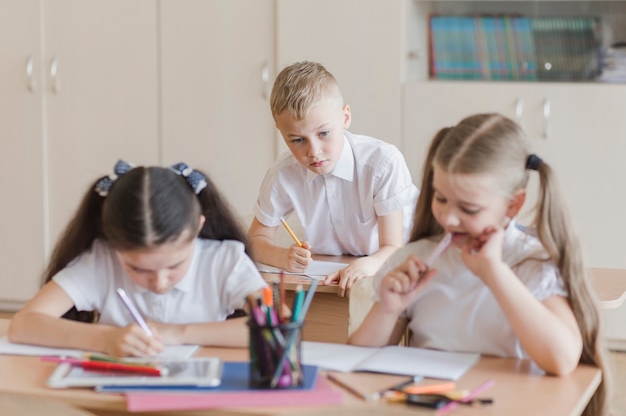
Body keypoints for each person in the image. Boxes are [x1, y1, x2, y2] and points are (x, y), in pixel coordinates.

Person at [348, 113, 609, 415]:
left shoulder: (530, 262)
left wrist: (494, 272)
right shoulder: (416, 258)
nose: (448, 218)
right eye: (440, 198)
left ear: (513, 205)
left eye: (468, 208)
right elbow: (357, 362)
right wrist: (387, 308)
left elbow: (562, 359)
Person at [8, 160, 268, 357]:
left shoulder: (224, 261)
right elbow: (24, 324)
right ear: (113, 242)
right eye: (138, 268)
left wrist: (177, 334)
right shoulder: (102, 262)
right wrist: (106, 339)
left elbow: (274, 325)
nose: (159, 282)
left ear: (198, 228)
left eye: (175, 265)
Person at [248, 61, 419, 296]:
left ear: (345, 117)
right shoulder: (282, 175)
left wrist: (368, 264)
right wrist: (282, 256)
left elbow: (394, 246)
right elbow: (255, 240)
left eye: (323, 133)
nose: (313, 151)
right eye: (297, 140)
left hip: (401, 260)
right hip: (331, 274)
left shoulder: (383, 162)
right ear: (280, 131)